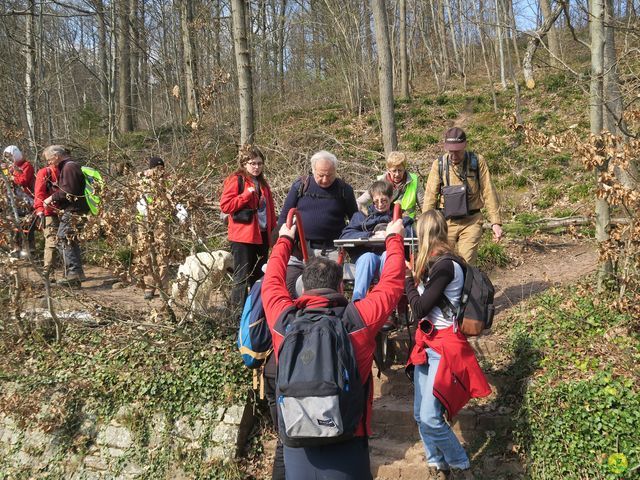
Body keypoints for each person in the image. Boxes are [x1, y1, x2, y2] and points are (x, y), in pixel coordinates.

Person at [262, 216, 406, 479]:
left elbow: (271, 282)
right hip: (348, 443)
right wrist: (394, 239)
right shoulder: (356, 321)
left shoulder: (284, 321)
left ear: (304, 287)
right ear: (340, 286)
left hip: (298, 446)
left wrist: (284, 239)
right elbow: (392, 285)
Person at [405, 210, 491, 480]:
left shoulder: (445, 265)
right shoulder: (435, 263)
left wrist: (407, 280)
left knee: (431, 417)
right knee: (420, 415)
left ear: (424, 234)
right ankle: (437, 464)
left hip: (444, 346)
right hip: (427, 343)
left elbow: (419, 308)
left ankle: (461, 465)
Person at [423, 127, 502, 265]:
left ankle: (466, 285)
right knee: (444, 263)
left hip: (471, 220)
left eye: (457, 151)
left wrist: (495, 222)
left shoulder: (477, 161)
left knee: (465, 262)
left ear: (465, 145)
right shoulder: (439, 164)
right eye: (450, 151)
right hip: (446, 222)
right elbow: (430, 196)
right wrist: (425, 226)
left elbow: (488, 191)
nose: (453, 156)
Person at [220, 145, 276, 311]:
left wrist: (273, 234)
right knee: (242, 277)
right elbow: (225, 206)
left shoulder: (263, 183)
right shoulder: (236, 180)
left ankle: (256, 313)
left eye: (259, 163)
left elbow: (270, 211)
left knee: (259, 277)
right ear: (244, 164)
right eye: (252, 163)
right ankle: (236, 315)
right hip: (243, 237)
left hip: (262, 236)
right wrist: (245, 196)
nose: (256, 167)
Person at [277, 150, 358, 262]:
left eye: (329, 175)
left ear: (335, 171)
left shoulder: (345, 190)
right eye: (321, 175)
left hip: (333, 250)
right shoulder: (300, 186)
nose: (325, 180)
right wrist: (281, 243)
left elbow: (355, 220)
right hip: (302, 249)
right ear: (313, 170)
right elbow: (285, 216)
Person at [135, 157, 181, 300]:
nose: (159, 171)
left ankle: (163, 287)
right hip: (144, 221)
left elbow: (173, 198)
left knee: (163, 253)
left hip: (162, 221)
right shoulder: (142, 180)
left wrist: (180, 211)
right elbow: (136, 196)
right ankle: (149, 286)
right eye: (156, 168)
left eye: (161, 169)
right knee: (146, 254)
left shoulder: (166, 181)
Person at [42, 145, 88, 288]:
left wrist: (52, 198)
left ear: (56, 156)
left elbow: (70, 191)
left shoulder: (69, 167)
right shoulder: (69, 167)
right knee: (69, 240)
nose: (49, 163)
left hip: (74, 211)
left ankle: (74, 274)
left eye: (49, 160)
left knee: (64, 239)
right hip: (74, 210)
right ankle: (75, 275)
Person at [357, 151, 424, 219]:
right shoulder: (380, 182)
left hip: (408, 224)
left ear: (404, 169)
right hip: (385, 224)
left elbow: (424, 205)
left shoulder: (414, 180)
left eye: (400, 170)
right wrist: (367, 217)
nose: (397, 174)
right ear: (388, 170)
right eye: (394, 171)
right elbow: (359, 202)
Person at [1, 145, 35, 258]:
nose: (9, 159)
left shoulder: (26, 166)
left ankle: (29, 250)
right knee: (13, 225)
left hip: (26, 200)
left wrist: (12, 177)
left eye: (10, 156)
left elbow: (23, 181)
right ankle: (16, 249)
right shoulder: (10, 167)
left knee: (26, 224)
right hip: (13, 200)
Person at [33, 153, 60, 280]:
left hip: (65, 212)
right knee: (51, 242)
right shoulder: (44, 172)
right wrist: (39, 209)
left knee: (65, 242)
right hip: (49, 213)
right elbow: (39, 192)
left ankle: (66, 273)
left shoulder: (66, 170)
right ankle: (48, 274)